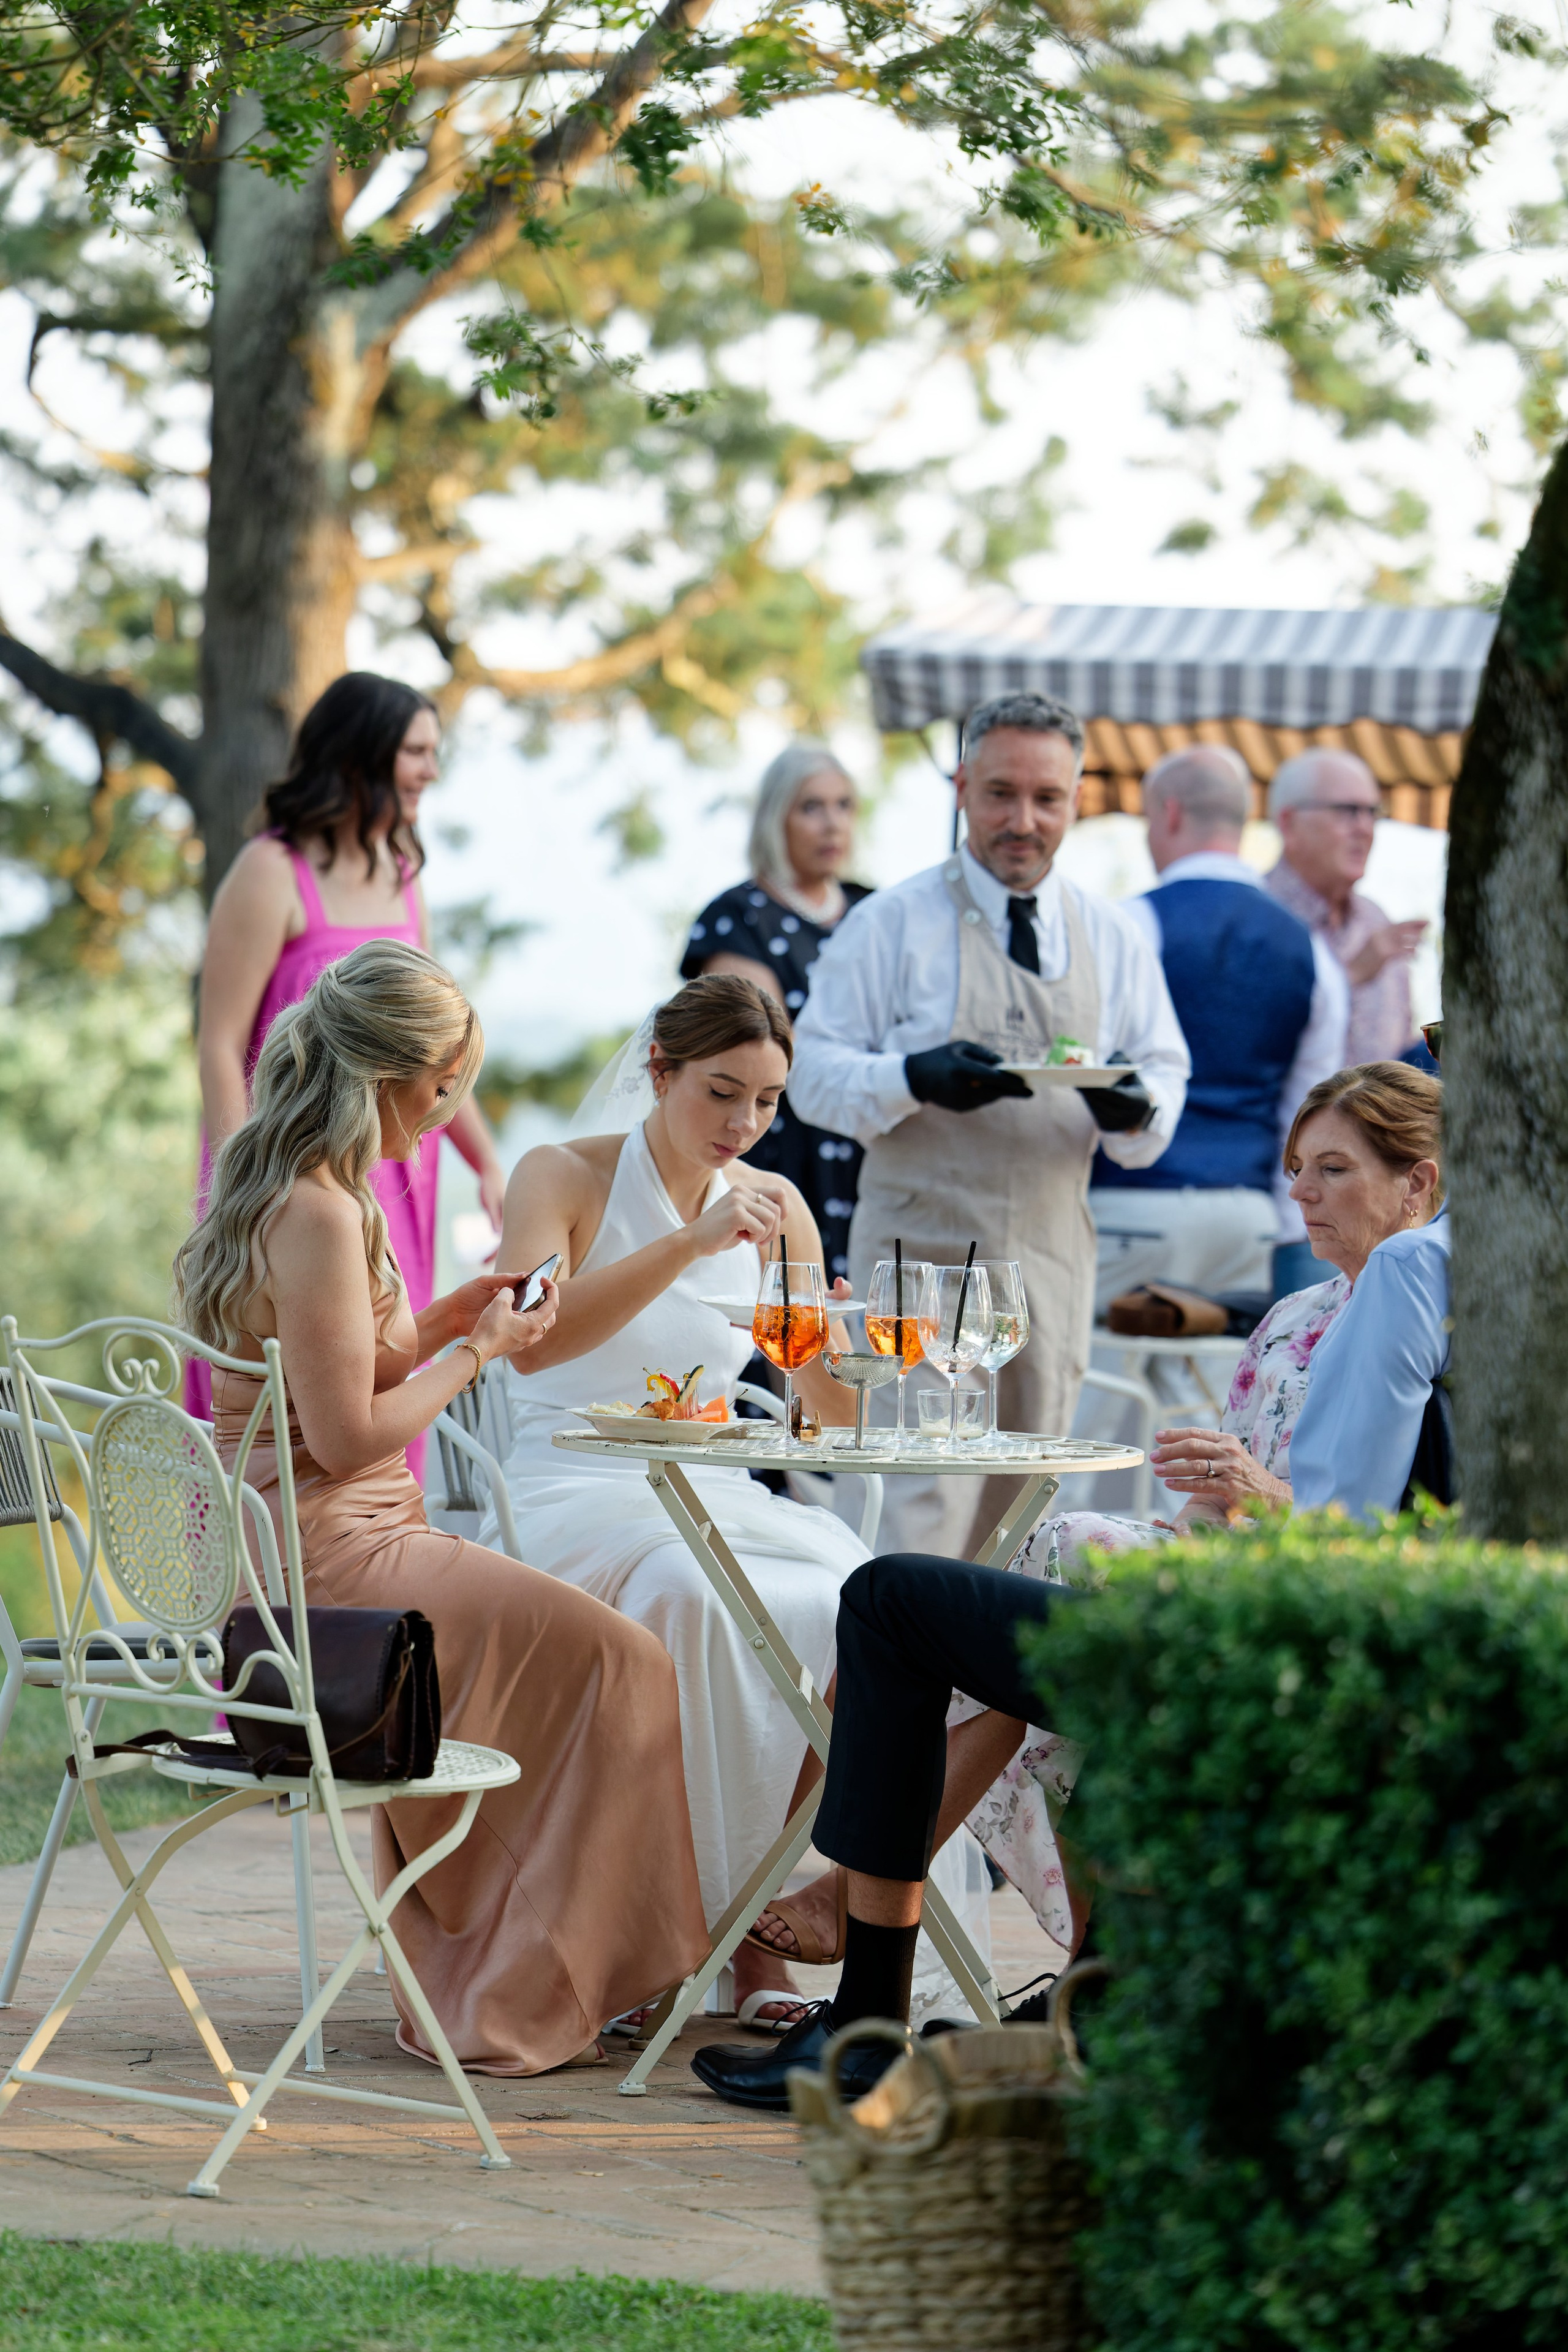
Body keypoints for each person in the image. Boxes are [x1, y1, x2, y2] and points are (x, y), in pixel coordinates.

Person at [739, 1061, 1445, 2004]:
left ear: (1419, 1183)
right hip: (1197, 1578)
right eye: (1295, 1168)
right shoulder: (1290, 1321)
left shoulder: (1439, 1330)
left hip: (1276, 1612)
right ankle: (1076, 1981)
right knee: (1017, 1583)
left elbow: (1374, 1536)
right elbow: (1204, 1514)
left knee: (984, 1582)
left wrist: (1256, 1493)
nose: (1301, 1193)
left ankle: (874, 1929)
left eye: (1333, 1171)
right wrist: (1214, 1490)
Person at [173, 938, 707, 2075]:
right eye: (443, 1083)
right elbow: (349, 1434)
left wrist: (460, 1304)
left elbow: (343, 1362)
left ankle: (531, 1962)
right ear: (387, 1074)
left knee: (594, 1659)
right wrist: (480, 1348)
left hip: (321, 1535)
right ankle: (532, 1980)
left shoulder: (302, 1186)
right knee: (625, 1662)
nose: (448, 1108)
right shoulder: (320, 1211)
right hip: (331, 1555)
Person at [479, 975, 881, 2030]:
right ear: (658, 1073)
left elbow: (826, 1423)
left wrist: (836, 1347)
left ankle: (766, 1926)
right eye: (720, 1093)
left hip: (711, 1485)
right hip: (572, 1485)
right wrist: (691, 1246)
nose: (743, 1124)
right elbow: (532, 1347)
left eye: (766, 1101)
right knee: (690, 1600)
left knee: (866, 1602)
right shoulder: (559, 1177)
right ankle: (658, 1941)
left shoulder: (779, 1205)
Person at [790, 690, 1189, 1556]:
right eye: (1002, 793)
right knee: (919, 1502)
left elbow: (1163, 1073)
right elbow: (811, 1075)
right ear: (963, 786)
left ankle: (990, 1700)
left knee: (1022, 1506)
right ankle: (893, 1689)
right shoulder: (890, 923)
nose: (1023, 820)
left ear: (1077, 799)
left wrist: (1134, 1107)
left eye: (1047, 799)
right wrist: (911, 1075)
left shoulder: (1112, 934)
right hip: (915, 1260)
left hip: (1049, 1262)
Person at [189, 673, 507, 1469]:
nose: (431, 770)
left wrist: (487, 1160)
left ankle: (386, 1533)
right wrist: (243, 1180)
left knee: (387, 1355)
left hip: (397, 1164)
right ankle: (283, 1552)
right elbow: (222, 1045)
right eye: (417, 751)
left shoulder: (402, 873)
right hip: (300, 1162)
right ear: (363, 752)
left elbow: (427, 1043)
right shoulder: (270, 872)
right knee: (307, 1385)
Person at [1091, 746, 1348, 1312]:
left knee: (1110, 1395)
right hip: (1249, 1217)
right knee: (1216, 1397)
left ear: (1172, 814)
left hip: (1132, 1206)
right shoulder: (1313, 953)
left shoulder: (1130, 925)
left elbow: (1088, 1069)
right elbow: (1311, 1111)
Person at [680, 743, 871, 1280]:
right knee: (785, 1305)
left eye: (843, 805)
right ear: (775, 817)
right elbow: (762, 1042)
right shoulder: (739, 917)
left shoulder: (873, 910)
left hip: (868, 1143)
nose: (832, 824)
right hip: (780, 1138)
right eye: (811, 807)